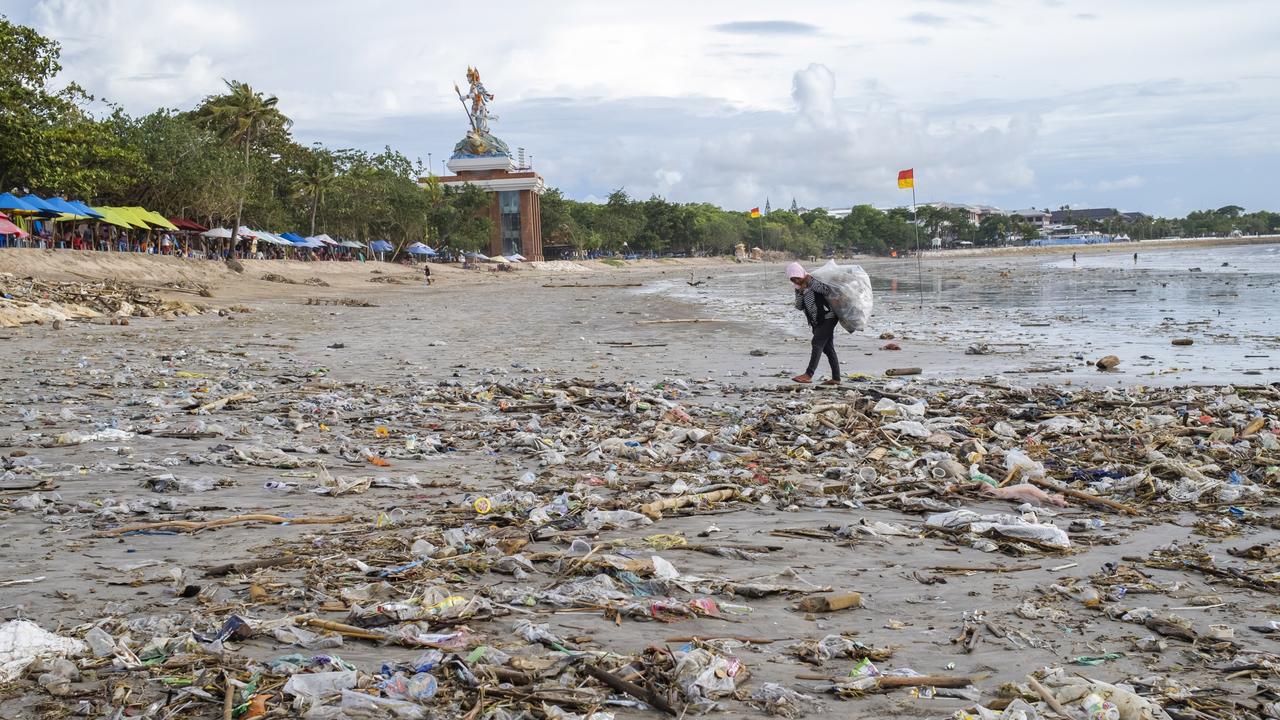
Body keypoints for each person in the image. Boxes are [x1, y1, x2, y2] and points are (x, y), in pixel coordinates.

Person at [788, 262, 841, 385]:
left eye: (797, 277)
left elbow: (826, 290)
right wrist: (800, 292)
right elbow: (799, 306)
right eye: (793, 279)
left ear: (801, 273)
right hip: (816, 321)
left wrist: (810, 282)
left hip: (829, 317)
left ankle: (808, 374)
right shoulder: (798, 289)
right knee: (828, 349)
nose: (796, 280)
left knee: (816, 343)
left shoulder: (814, 280)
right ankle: (836, 378)